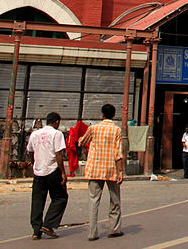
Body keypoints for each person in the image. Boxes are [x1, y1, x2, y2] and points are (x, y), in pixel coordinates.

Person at [79, 103, 124, 241]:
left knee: (94, 201)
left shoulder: (93, 128)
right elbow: (118, 153)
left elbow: (82, 142)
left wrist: (80, 140)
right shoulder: (117, 130)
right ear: (114, 115)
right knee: (115, 200)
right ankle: (114, 229)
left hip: (95, 168)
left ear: (102, 114)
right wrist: (120, 171)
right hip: (111, 169)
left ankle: (92, 233)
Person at [27, 111, 68, 239]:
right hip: (52, 169)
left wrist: (34, 163)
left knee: (37, 200)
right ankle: (48, 224)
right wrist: (63, 172)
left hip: (38, 170)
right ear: (56, 122)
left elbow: (30, 151)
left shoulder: (35, 134)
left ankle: (36, 230)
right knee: (60, 197)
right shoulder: (57, 134)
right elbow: (58, 154)